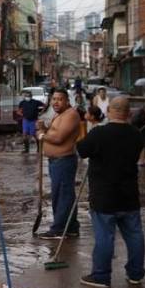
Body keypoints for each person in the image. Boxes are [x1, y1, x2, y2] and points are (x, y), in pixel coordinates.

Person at [76, 97, 145, 288]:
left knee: (105, 237)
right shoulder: (136, 134)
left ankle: (101, 276)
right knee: (134, 235)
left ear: (108, 112)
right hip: (129, 194)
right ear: (129, 113)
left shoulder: (99, 133)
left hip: (104, 195)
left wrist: (83, 127)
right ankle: (136, 273)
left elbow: (81, 150)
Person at [36, 89, 82, 239]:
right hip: (56, 162)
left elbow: (59, 138)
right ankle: (71, 227)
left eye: (59, 99)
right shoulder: (59, 115)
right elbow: (53, 133)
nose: (55, 102)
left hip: (64, 161)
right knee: (63, 195)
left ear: (67, 101)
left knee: (62, 196)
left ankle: (59, 229)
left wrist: (43, 134)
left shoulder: (71, 115)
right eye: (53, 99)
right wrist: (44, 129)